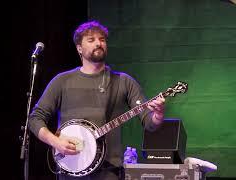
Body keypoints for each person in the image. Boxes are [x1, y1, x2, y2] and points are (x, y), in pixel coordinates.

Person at [28, 20, 165, 180]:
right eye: (91, 40)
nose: (98, 43)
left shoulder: (123, 81)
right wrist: (55, 142)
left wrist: (158, 116)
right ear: (79, 48)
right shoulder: (62, 81)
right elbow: (35, 119)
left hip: (109, 172)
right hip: (70, 172)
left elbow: (149, 123)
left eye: (102, 39)